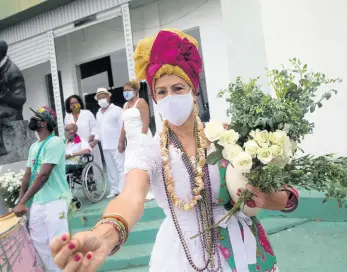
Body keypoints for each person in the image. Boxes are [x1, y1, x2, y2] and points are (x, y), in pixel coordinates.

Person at [50, 30, 299, 272]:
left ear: (194, 90)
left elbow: (280, 191)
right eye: (162, 91)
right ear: (155, 99)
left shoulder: (227, 135)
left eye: (178, 88)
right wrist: (105, 235)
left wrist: (266, 198)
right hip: (183, 254)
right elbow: (130, 197)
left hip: (243, 248)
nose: (170, 97)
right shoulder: (150, 150)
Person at [14, 106, 71, 272]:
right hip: (38, 203)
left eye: (36, 117)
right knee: (40, 246)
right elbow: (27, 175)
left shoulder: (55, 142)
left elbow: (43, 175)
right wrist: (20, 201)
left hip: (56, 200)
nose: (32, 119)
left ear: (44, 122)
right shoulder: (34, 146)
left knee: (58, 245)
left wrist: (24, 202)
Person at [120, 80, 154, 201]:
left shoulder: (141, 102)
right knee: (132, 165)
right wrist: (121, 140)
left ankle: (149, 191)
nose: (126, 93)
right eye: (124, 91)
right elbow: (124, 124)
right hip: (131, 141)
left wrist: (143, 138)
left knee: (144, 163)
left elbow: (146, 121)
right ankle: (138, 190)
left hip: (141, 137)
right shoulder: (125, 106)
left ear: (135, 91)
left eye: (128, 90)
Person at [95, 88, 124, 198]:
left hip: (117, 144)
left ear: (108, 97)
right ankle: (114, 190)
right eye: (99, 97)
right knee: (111, 169)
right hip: (105, 146)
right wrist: (95, 140)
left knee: (120, 168)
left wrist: (122, 142)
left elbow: (122, 127)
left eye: (103, 96)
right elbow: (99, 130)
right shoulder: (98, 113)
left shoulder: (117, 110)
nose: (102, 99)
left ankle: (123, 189)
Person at [0, 40, 26, 156]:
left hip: (12, 111)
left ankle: (2, 148)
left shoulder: (12, 71)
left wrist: (5, 94)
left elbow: (21, 98)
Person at [64, 95, 103, 171]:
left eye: (76, 102)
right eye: (72, 103)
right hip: (76, 148)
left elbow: (96, 128)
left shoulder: (87, 113)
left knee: (94, 171)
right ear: (69, 106)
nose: (74, 104)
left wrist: (94, 140)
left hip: (89, 145)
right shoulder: (67, 117)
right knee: (78, 171)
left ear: (80, 103)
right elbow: (67, 132)